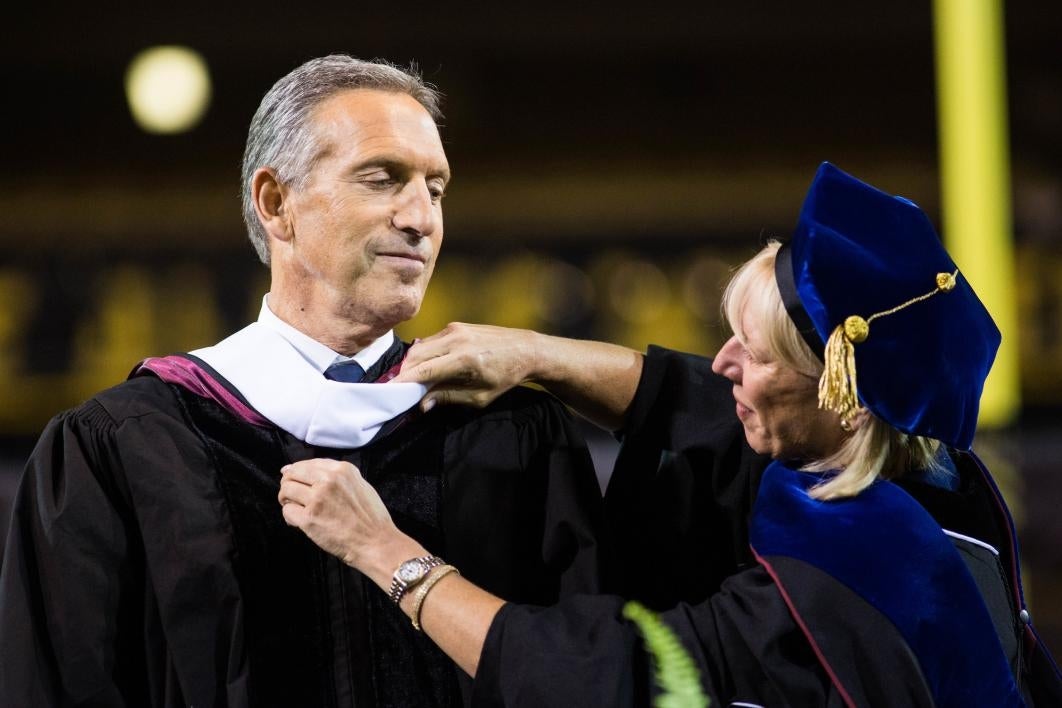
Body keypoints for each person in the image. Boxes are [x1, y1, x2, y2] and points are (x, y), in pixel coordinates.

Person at [280, 163, 1062, 706]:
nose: (721, 364)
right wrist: (533, 354)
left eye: (753, 355)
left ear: (843, 396)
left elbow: (599, 678)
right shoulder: (924, 470)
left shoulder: (845, 591)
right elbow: (696, 402)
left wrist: (384, 555)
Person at [0, 55, 606, 708]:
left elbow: (583, 677)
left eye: (436, 189)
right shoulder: (124, 449)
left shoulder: (511, 435)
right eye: (383, 179)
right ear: (276, 203)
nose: (421, 219)